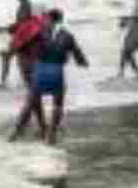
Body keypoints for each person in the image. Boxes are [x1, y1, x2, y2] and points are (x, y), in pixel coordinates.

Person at [13, 8, 88, 144]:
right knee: (58, 104)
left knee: (30, 103)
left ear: (49, 19)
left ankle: (16, 134)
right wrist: (82, 62)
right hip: (57, 72)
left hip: (40, 71)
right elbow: (80, 59)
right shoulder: (68, 35)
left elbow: (22, 47)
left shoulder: (39, 33)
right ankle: (51, 135)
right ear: (61, 19)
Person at [0, 0, 34, 88]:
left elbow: (22, 24)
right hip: (23, 37)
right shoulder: (26, 5)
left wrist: (6, 29)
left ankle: (3, 83)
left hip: (21, 38)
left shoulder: (25, 6)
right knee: (20, 61)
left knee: (6, 57)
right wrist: (7, 28)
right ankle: (27, 83)